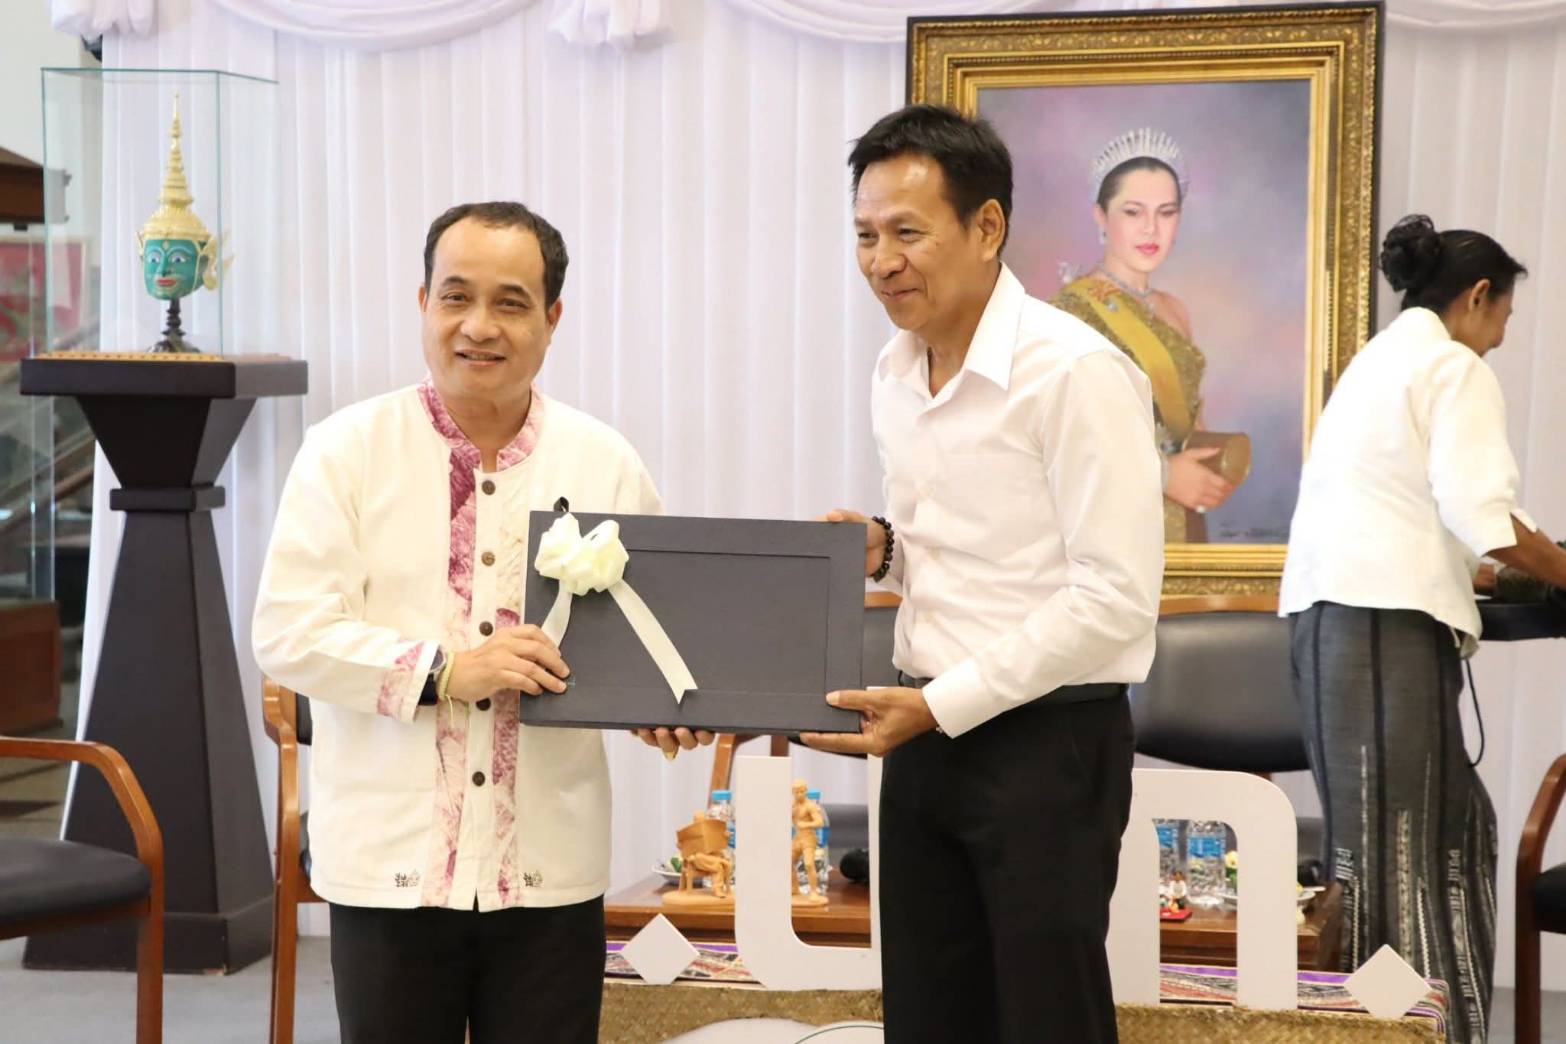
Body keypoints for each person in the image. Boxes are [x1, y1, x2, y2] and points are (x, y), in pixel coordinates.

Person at [252, 201, 708, 1044]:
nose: (478, 326)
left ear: (552, 319)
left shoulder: (603, 461)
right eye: (456, 297)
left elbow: (649, 639)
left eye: (511, 303)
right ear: (422, 302)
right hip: (391, 867)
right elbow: (288, 631)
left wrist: (663, 711)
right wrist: (448, 670)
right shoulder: (345, 451)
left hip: (547, 869)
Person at [803, 104, 1164, 1043]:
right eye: (865, 235)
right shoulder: (894, 370)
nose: (882, 261)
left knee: (1046, 1020)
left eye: (907, 233)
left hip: (1047, 745)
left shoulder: (1074, 372)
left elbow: (1116, 597)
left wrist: (943, 704)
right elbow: (976, 545)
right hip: (920, 736)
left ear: (987, 226)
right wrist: (887, 547)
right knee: (928, 1014)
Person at [1280, 214, 1566, 1043]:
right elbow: (1487, 518)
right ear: (1477, 296)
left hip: (1335, 625)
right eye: (1503, 318)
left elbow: (1418, 515)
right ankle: (1405, 1033)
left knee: (1425, 838)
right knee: (1399, 859)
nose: (1499, 340)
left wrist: (1503, 566)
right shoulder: (1451, 365)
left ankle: (1413, 1026)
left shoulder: (1380, 361)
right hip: (1379, 632)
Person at [1050, 128, 1243, 542]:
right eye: (1133, 212)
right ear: (1101, 216)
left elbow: (1190, 420)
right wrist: (1166, 475)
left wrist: (1213, 470)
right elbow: (1065, 439)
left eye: (1166, 213)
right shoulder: (1071, 310)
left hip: (1185, 518)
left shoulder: (1175, 310)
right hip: (1114, 526)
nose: (1151, 229)